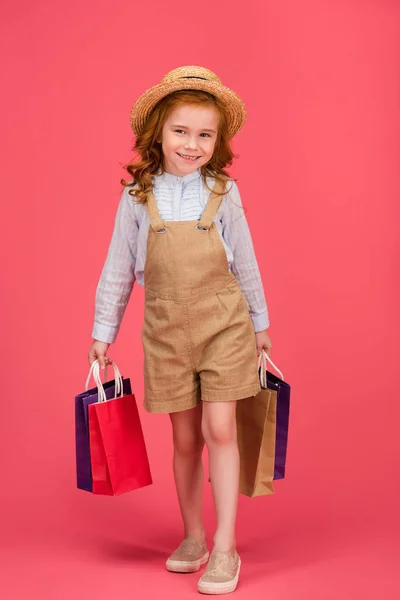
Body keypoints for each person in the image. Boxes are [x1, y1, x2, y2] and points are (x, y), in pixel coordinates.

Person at [88, 65, 272, 595]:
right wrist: (104, 331)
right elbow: (117, 268)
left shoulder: (223, 192)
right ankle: (193, 537)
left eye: (205, 134)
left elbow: (247, 264)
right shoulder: (136, 199)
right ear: (158, 134)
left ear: (218, 141)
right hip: (164, 328)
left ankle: (226, 547)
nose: (192, 144)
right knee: (185, 438)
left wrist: (260, 324)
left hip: (225, 324)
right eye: (181, 131)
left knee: (221, 430)